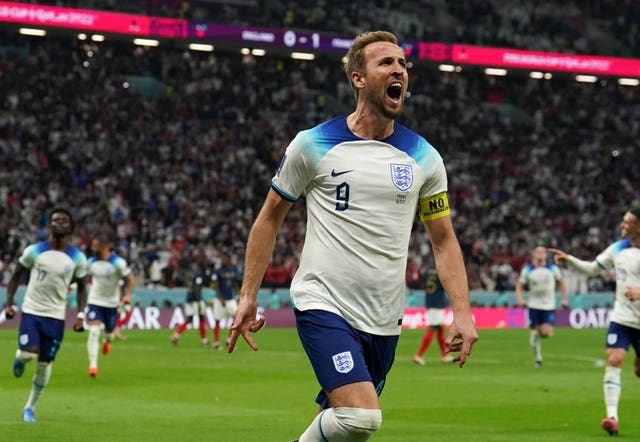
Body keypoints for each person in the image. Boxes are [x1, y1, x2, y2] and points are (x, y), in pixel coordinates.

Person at [228, 31, 478, 441]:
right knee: (362, 419)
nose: (399, 69)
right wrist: (247, 295)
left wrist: (462, 312)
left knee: (337, 422)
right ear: (358, 79)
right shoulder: (313, 145)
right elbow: (269, 219)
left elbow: (443, 240)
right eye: (386, 63)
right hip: (322, 302)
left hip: (384, 318)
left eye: (402, 64)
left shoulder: (425, 158)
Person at [548, 205, 640, 437]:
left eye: (627, 222)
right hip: (622, 318)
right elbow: (592, 269)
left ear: (638, 226)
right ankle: (612, 417)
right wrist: (569, 260)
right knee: (615, 359)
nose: (622, 225)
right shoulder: (618, 248)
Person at [4, 207, 88, 423]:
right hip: (32, 311)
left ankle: (29, 408)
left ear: (70, 227)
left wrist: (80, 315)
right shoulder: (34, 251)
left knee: (44, 364)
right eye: (55, 220)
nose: (59, 224)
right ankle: (20, 358)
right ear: (49, 226)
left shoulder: (78, 258)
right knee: (28, 354)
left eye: (64, 221)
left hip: (56, 316)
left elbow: (81, 288)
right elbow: (16, 276)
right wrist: (10, 303)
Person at [85, 232, 136, 377]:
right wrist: (74, 286)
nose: (92, 248)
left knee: (109, 334)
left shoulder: (118, 263)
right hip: (95, 300)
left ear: (104, 246)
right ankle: (93, 366)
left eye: (95, 245)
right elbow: (87, 280)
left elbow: (131, 280)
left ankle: (107, 342)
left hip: (112, 303)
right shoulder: (91, 262)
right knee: (94, 331)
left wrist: (128, 295)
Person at [514, 245, 568, 368]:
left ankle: (536, 332)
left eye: (542, 252)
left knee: (546, 333)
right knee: (534, 332)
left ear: (545, 255)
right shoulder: (527, 270)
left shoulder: (553, 269)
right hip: (533, 305)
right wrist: (521, 299)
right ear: (534, 254)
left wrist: (564, 298)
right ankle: (538, 357)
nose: (540, 254)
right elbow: (519, 286)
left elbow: (561, 283)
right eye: (537, 252)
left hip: (548, 305)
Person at [413, 263, 454, 365]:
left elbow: (422, 279)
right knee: (433, 327)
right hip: (438, 301)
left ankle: (445, 355)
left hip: (430, 299)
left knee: (439, 328)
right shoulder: (441, 269)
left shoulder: (428, 269)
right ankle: (419, 355)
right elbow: (446, 283)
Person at [170, 252, 213, 347]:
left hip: (189, 298)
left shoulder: (194, 273)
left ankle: (176, 335)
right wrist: (199, 301)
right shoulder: (199, 275)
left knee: (189, 319)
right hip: (195, 300)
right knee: (201, 318)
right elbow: (197, 289)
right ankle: (204, 340)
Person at [211, 254, 241, 350]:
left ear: (228, 259)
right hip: (220, 300)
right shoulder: (218, 271)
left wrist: (238, 295)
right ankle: (216, 342)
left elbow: (235, 284)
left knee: (236, 319)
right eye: (221, 258)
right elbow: (215, 286)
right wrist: (221, 298)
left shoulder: (233, 270)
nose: (222, 260)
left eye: (224, 258)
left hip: (230, 299)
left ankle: (229, 340)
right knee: (217, 321)